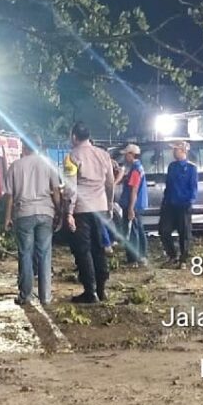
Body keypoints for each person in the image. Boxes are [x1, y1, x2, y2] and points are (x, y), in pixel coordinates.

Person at [4, 138, 60, 306]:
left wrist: (7, 217)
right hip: (46, 212)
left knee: (25, 254)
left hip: (24, 214)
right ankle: (45, 296)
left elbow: (9, 196)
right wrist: (59, 212)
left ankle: (26, 295)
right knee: (44, 255)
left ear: (24, 146)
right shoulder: (49, 163)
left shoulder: (15, 166)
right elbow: (56, 191)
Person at [64, 122, 115, 304]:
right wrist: (109, 205)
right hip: (100, 208)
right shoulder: (104, 155)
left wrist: (69, 212)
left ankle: (90, 291)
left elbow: (71, 188)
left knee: (83, 251)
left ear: (74, 137)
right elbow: (110, 183)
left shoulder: (71, 157)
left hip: (81, 210)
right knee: (99, 248)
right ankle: (102, 290)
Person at [160, 142, 198, 266]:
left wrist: (188, 202)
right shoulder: (172, 166)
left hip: (183, 204)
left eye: (176, 150)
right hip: (170, 204)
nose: (174, 152)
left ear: (183, 151)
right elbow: (168, 185)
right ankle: (172, 255)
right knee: (164, 230)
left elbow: (193, 188)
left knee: (184, 233)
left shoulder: (191, 168)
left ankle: (183, 259)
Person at [119, 144, 149, 266]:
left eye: (126, 154)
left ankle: (134, 258)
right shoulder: (136, 168)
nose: (125, 157)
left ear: (131, 154)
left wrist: (131, 208)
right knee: (139, 229)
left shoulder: (135, 170)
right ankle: (142, 255)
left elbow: (134, 190)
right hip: (136, 205)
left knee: (132, 232)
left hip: (133, 205)